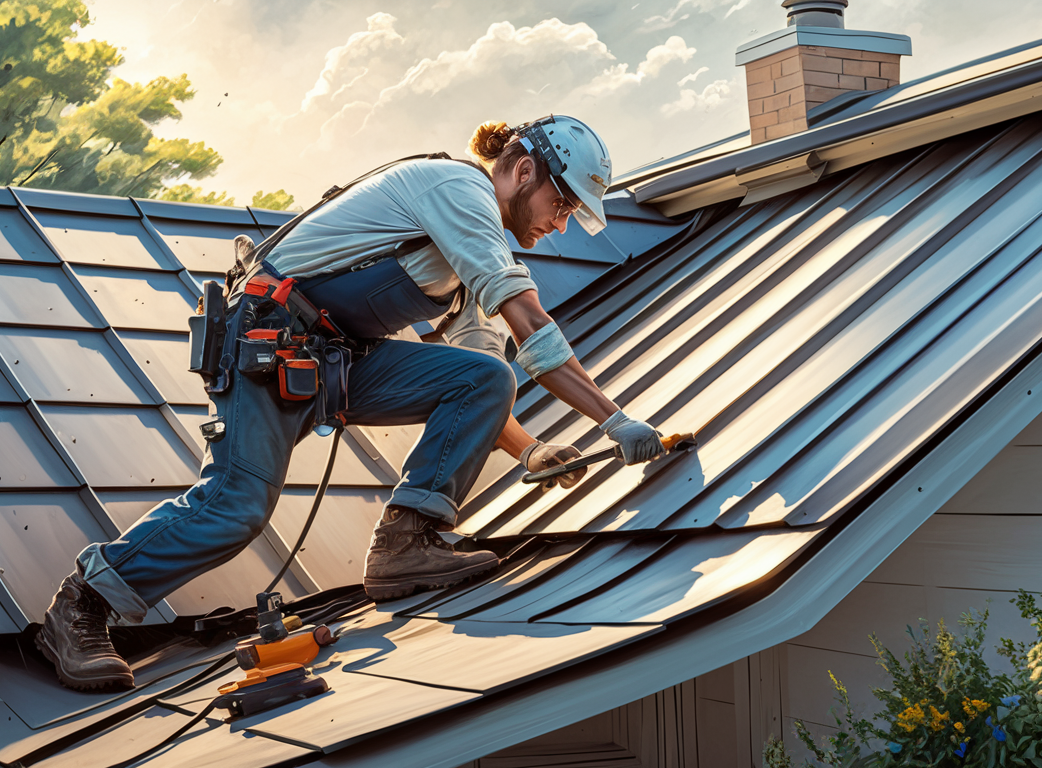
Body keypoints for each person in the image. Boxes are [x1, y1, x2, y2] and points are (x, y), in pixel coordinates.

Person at [35, 115, 666, 691]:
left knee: (482, 376)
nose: (558, 225)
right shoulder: (458, 191)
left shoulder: (475, 253)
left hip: (336, 363)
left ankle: (404, 542)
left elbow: (485, 377)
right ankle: (82, 604)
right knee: (237, 507)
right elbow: (530, 322)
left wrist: (530, 452)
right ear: (523, 169)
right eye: (561, 204)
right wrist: (614, 418)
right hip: (267, 345)